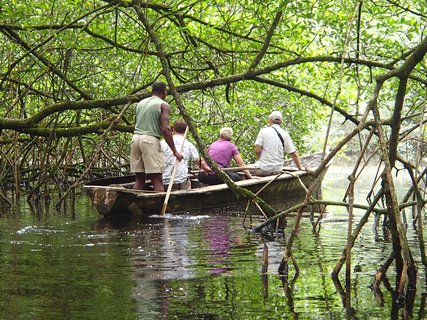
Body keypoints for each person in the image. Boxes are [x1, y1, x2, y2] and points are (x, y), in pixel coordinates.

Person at [130, 81, 183, 191]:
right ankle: (159, 207)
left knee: (139, 179)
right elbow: (166, 129)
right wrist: (175, 151)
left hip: (135, 139)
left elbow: (144, 123)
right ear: (164, 91)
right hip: (149, 140)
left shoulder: (141, 103)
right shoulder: (163, 105)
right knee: (157, 179)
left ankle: (133, 205)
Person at [160, 119, 210, 190]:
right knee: (187, 181)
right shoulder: (189, 145)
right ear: (187, 131)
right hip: (180, 181)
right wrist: (206, 168)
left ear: (173, 129)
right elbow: (199, 161)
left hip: (163, 180)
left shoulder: (163, 142)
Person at [253, 110, 303, 176]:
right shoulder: (285, 134)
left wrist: (261, 161)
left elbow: (257, 151)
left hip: (264, 169)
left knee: (243, 170)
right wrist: (300, 168)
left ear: (269, 121)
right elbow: (293, 154)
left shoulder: (263, 131)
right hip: (278, 170)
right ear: (281, 122)